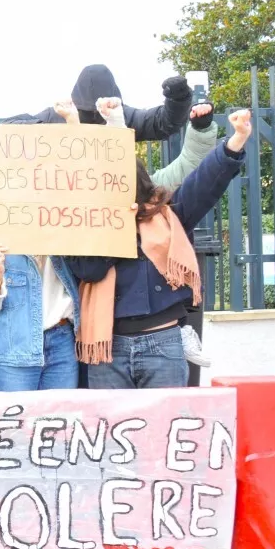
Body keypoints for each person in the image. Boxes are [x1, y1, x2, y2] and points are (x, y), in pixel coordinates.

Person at [66, 110, 253, 389]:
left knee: (165, 427)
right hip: (107, 350)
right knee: (110, 431)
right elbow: (88, 270)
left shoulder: (167, 215)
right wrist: (118, 231)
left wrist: (236, 140)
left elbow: (203, 183)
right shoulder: (87, 226)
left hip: (162, 344)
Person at [0, 234, 81, 392]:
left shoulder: (60, 236)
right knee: (18, 414)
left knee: (61, 415)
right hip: (13, 350)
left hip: (61, 343)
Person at [9, 64, 193, 143]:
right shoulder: (58, 115)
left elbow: (163, 122)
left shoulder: (121, 116)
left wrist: (178, 98)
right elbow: (8, 129)